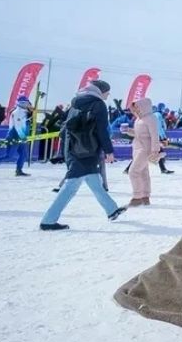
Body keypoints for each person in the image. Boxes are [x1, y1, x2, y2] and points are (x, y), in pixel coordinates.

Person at [39, 80, 126, 231]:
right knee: (71, 186)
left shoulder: (76, 102)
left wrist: (67, 150)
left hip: (73, 148)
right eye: (107, 91)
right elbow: (102, 130)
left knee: (94, 180)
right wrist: (108, 150)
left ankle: (111, 209)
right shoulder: (98, 104)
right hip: (87, 149)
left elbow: (64, 129)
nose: (108, 94)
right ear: (100, 91)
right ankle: (48, 220)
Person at [0, 95, 35, 177]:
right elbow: (18, 127)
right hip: (14, 136)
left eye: (27, 103)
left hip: (22, 137)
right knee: (9, 156)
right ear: (20, 103)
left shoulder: (25, 112)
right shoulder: (17, 113)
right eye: (24, 103)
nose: (26, 105)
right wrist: (23, 137)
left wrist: (31, 114)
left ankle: (19, 170)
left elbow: (26, 123)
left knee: (23, 154)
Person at [126, 98, 164, 207]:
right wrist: (129, 131)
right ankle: (145, 197)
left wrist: (155, 150)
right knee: (143, 172)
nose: (135, 109)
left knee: (133, 171)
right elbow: (138, 134)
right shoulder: (138, 119)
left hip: (145, 148)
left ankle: (137, 197)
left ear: (144, 106)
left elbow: (154, 135)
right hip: (137, 147)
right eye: (134, 107)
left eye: (137, 106)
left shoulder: (150, 118)